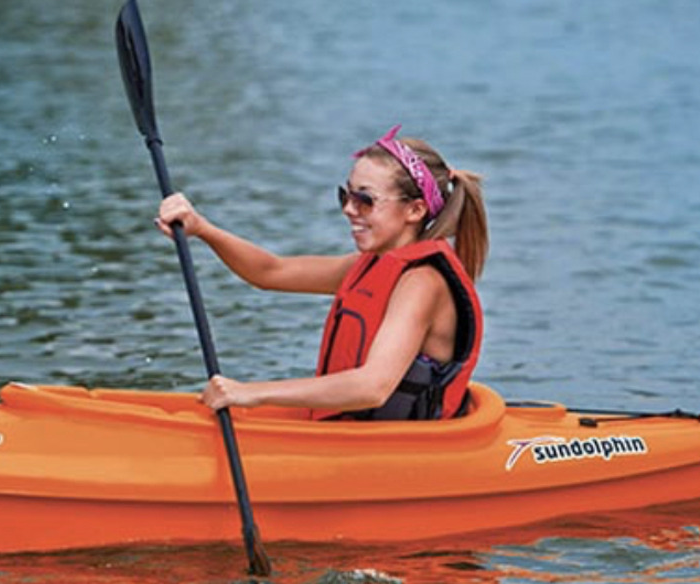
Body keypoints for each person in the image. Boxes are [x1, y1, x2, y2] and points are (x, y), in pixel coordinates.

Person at [156, 125, 488, 421]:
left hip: (400, 449)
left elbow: (372, 387)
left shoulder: (422, 283)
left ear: (415, 210)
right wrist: (202, 229)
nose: (349, 209)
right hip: (350, 435)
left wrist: (251, 393)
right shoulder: (370, 266)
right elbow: (270, 271)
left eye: (365, 200)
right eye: (346, 195)